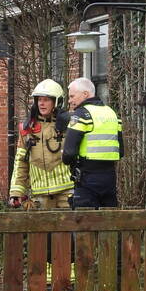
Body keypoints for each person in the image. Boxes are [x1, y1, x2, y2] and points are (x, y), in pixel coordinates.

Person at [9, 79, 73, 210]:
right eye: (39, 100)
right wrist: (16, 192)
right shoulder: (27, 128)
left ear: (57, 102)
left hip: (66, 193)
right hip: (40, 195)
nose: (41, 104)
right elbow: (21, 161)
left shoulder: (70, 125)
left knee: (66, 230)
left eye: (47, 100)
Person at [63, 77, 123, 208]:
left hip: (86, 177)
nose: (70, 100)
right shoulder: (112, 114)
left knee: (84, 223)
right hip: (109, 177)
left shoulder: (81, 115)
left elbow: (68, 153)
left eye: (72, 96)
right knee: (109, 222)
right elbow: (121, 150)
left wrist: (72, 165)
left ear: (85, 94)